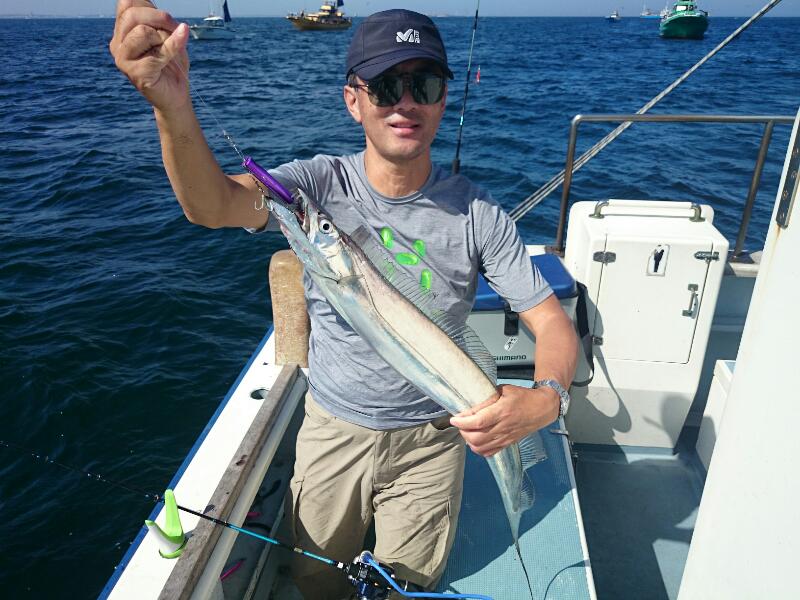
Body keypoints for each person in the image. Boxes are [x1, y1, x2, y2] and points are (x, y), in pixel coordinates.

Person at [110, 3, 578, 598]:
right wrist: (171, 107)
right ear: (353, 100)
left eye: (424, 85)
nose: (405, 103)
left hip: (435, 438)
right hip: (335, 430)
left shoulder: (479, 214)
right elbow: (212, 204)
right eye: (384, 86)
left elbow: (551, 322)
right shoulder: (315, 187)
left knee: (405, 586)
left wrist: (546, 399)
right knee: (316, 581)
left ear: (442, 101)